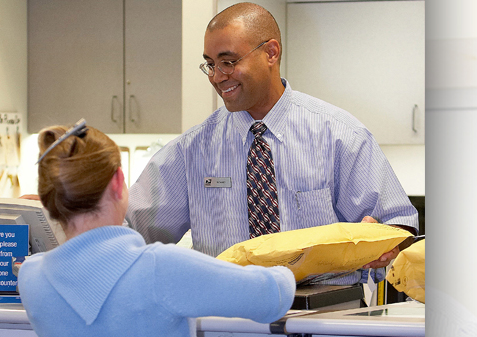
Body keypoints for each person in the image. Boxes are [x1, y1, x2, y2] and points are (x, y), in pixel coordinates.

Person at [125, 2, 418, 285]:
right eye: (210, 65)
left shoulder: (341, 135)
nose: (217, 77)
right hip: (226, 317)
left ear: (271, 52)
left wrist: (386, 242)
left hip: (326, 317)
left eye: (228, 62)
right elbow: (130, 232)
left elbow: (398, 224)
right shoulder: (190, 151)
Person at [17, 123, 295, 337]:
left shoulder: (31, 278)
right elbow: (272, 296)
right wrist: (288, 266)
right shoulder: (158, 268)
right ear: (118, 182)